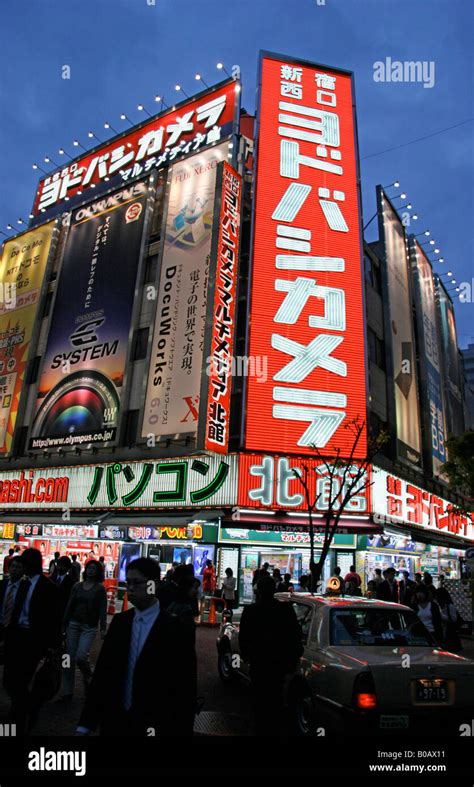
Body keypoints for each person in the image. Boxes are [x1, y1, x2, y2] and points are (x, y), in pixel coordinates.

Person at [76, 558, 196, 736]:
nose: (130, 588)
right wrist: (86, 724)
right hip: (115, 721)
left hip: (155, 722)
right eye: (128, 583)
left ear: (153, 585)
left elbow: (185, 685)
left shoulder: (175, 628)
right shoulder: (120, 623)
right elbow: (103, 672)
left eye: (137, 582)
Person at [3, 548, 61, 734]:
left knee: (22, 678)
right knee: (9, 679)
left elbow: (53, 617)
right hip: (16, 635)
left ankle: (18, 719)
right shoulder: (23, 584)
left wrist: (52, 645)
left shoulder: (47, 586)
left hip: (34, 639)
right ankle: (25, 709)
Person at [238, 576, 303, 735]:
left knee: (260, 699)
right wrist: (292, 660)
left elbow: (244, 638)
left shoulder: (251, 611)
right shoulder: (285, 610)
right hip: (279, 663)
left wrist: (248, 656)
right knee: (276, 697)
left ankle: (261, 727)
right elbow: (295, 635)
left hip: (259, 662)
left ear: (258, 591)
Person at [62, 560, 107, 700]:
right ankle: (66, 691)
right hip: (73, 624)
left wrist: (103, 628)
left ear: (98, 572)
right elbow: (70, 605)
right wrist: (64, 623)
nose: (91, 570)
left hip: (89, 626)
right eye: (89, 568)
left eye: (94, 568)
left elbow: (102, 610)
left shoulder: (100, 589)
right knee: (68, 658)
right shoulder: (77, 586)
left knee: (81, 656)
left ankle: (88, 675)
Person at [0, 556, 25, 637]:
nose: (14, 569)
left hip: (15, 628)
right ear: (9, 568)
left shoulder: (25, 588)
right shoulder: (2, 584)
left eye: (18, 567)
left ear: (23, 570)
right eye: (13, 566)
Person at [436, 585, 462, 653]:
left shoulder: (449, 606)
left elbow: (454, 619)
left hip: (450, 633)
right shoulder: (440, 606)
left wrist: (441, 616)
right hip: (444, 632)